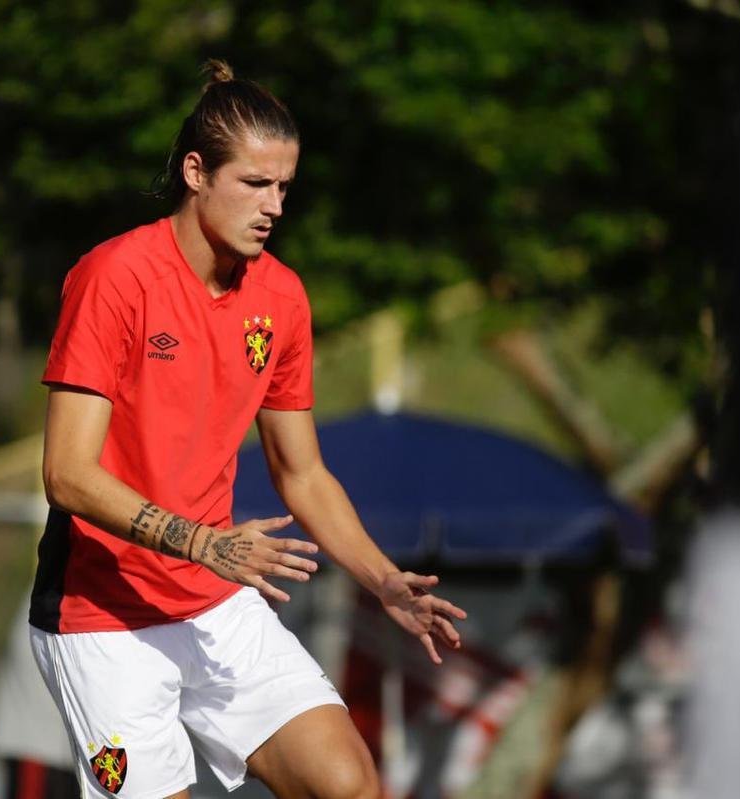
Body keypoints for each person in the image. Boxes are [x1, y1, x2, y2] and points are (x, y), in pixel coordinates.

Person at [29, 59, 467, 799]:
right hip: (101, 618)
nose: (274, 207)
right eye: (256, 184)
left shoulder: (281, 298)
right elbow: (66, 475)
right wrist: (204, 543)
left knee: (346, 784)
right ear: (196, 173)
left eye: (284, 187)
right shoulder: (115, 278)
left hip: (214, 600)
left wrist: (383, 580)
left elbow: (303, 473)